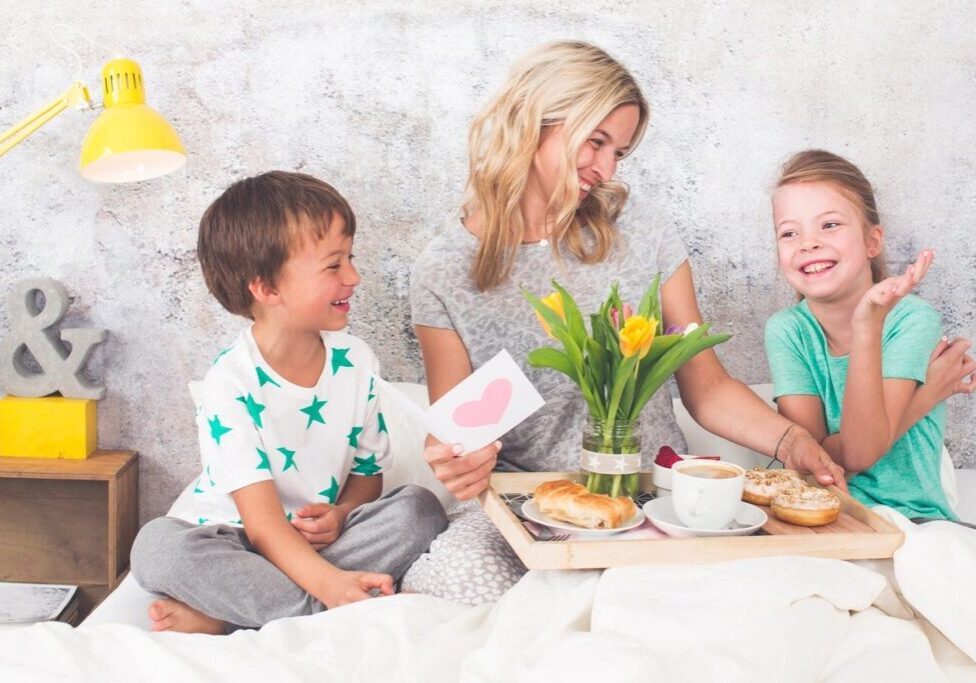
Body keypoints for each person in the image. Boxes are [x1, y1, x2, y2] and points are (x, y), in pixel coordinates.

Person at [403, 41, 847, 605]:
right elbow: (460, 428)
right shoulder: (444, 270)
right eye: (596, 141)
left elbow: (705, 387)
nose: (606, 169)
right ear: (533, 121)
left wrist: (793, 441)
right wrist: (459, 460)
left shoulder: (642, 227)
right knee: (452, 589)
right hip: (534, 508)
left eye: (620, 152)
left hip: (652, 500)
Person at [130, 171, 447, 633]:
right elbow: (259, 525)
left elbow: (366, 476)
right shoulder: (231, 382)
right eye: (333, 265)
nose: (354, 277)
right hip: (235, 541)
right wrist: (330, 585)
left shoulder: (357, 362)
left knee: (419, 507)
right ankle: (326, 602)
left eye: (350, 258)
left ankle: (227, 613)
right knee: (157, 547)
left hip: (314, 544)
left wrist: (339, 514)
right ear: (267, 288)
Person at [765, 150, 975, 523]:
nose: (808, 242)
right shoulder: (787, 331)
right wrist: (926, 397)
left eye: (829, 225)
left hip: (914, 517)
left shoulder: (911, 320)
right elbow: (816, 463)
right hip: (821, 513)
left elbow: (857, 454)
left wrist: (868, 325)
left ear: (872, 241)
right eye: (789, 232)